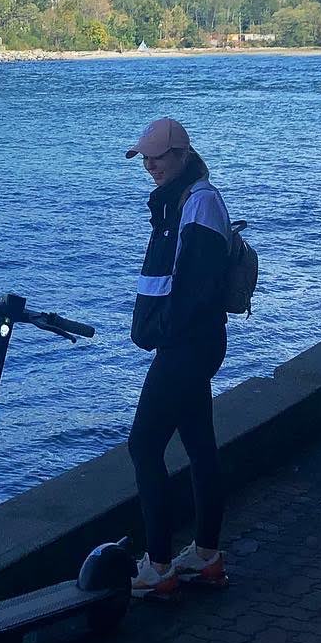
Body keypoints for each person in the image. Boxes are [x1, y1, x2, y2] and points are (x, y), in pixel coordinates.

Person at [124, 116, 231, 597]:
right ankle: (206, 556)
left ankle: (159, 564)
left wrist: (162, 332)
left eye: (158, 158)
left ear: (182, 155)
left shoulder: (200, 204)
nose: (150, 166)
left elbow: (195, 288)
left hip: (186, 346)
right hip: (188, 344)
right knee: (199, 445)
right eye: (145, 159)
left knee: (143, 445)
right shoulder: (180, 202)